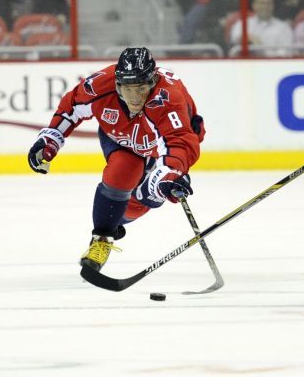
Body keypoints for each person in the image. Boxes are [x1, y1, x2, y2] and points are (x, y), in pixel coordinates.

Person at [27, 47, 206, 271]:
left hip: (160, 146)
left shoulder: (167, 98)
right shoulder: (99, 86)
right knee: (122, 171)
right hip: (120, 138)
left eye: (141, 88)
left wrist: (171, 172)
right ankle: (101, 239)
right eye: (128, 89)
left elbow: (180, 141)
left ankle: (119, 219)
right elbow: (71, 107)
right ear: (117, 84)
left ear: (152, 81)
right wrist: (51, 139)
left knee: (151, 196)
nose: (135, 97)